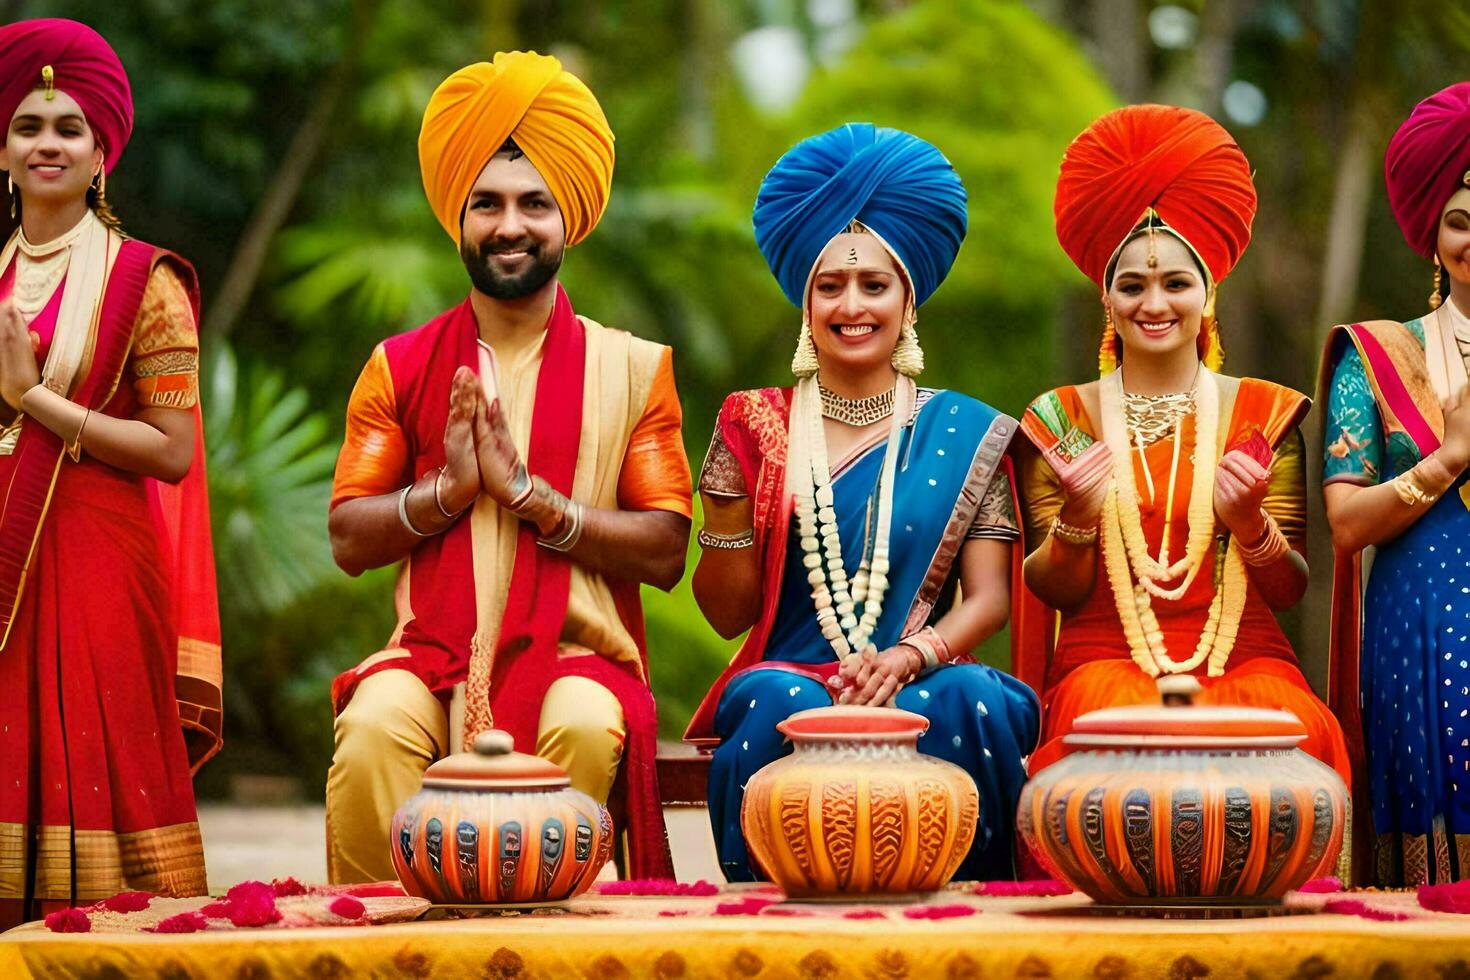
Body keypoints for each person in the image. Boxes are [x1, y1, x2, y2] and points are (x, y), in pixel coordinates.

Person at [326, 51, 691, 885]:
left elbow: (666, 548)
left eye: (534, 204)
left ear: (571, 219)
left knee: (589, 724)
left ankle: (562, 948)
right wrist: (448, 493)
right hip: (428, 653)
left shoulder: (632, 370)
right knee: (374, 725)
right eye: (485, 203)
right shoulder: (403, 366)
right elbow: (349, 537)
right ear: (458, 217)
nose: (510, 225)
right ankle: (373, 952)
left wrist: (535, 500)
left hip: (576, 653)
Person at [684, 123, 1040, 883]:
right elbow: (725, 615)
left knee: (974, 696)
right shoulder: (756, 425)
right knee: (771, 700)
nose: (852, 305)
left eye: (874, 285)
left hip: (922, 671)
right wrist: (722, 522)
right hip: (792, 668)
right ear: (805, 302)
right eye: (830, 285)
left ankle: (979, 919)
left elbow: (989, 600)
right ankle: (768, 925)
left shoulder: (965, 430)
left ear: (907, 301)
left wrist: (911, 656)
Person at [1014, 105, 1351, 788]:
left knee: (1294, 719)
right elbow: (1051, 588)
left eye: (1175, 283)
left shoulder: (1263, 412)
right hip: (1106, 657)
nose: (1154, 303)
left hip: (1243, 657)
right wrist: (1078, 517)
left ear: (1208, 293)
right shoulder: (1064, 416)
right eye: (1132, 285)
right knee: (1104, 718)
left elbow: (1288, 588)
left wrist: (1250, 524)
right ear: (1106, 299)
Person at [0, 19, 222, 925]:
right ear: (1, 149)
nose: (47, 143)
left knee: (98, 767)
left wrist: (34, 399)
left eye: (69, 128)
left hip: (98, 556)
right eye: (27, 125)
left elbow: (171, 451)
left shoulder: (146, 281)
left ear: (102, 155)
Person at [1320, 82, 1470, 885]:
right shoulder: (1375, 356)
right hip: (1423, 638)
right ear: (1432, 234)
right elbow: (1344, 524)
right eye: (1459, 221)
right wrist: (1446, 461)